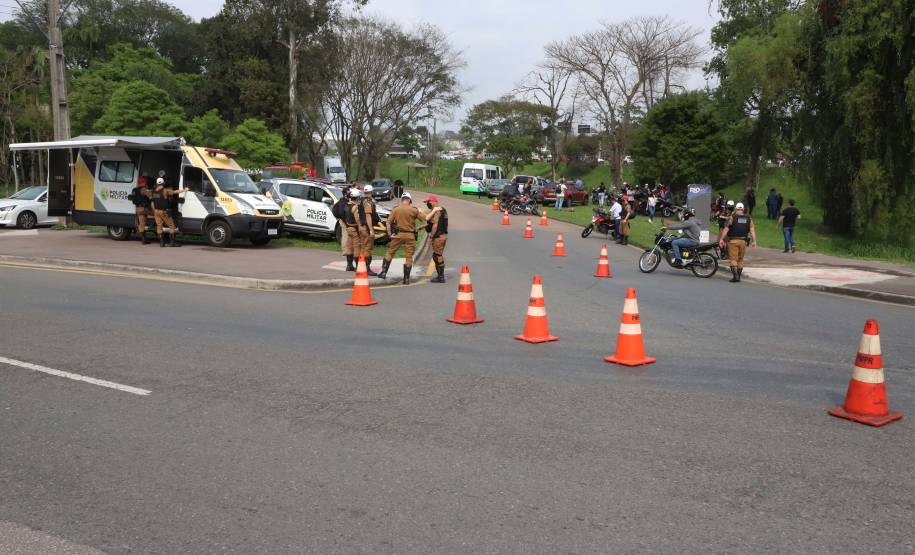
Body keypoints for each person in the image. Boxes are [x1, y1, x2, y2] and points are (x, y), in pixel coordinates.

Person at [377, 193, 430, 284]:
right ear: (409, 200)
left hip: (398, 234)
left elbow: (388, 223)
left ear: (402, 199)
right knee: (409, 257)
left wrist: (389, 235)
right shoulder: (414, 210)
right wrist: (418, 228)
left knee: (390, 252)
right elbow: (427, 220)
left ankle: (383, 272)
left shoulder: (396, 209)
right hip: (410, 235)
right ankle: (406, 279)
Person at [719, 202, 757, 283]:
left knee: (733, 259)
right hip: (743, 241)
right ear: (743, 209)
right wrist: (754, 241)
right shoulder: (749, 218)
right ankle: (739, 276)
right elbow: (752, 230)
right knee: (740, 259)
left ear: (736, 209)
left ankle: (735, 276)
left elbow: (726, 229)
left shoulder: (732, 217)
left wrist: (721, 239)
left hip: (733, 241)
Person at [151, 177, 186, 247]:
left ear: (157, 183)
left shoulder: (154, 191)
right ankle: (172, 243)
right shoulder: (165, 191)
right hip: (164, 211)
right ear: (163, 183)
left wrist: (154, 210)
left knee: (159, 226)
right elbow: (175, 192)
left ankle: (161, 243)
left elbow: (152, 202)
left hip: (156, 211)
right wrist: (184, 190)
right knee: (171, 226)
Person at [357, 184, 379, 276]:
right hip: (366, 228)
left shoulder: (361, 200)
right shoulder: (367, 202)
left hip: (362, 227)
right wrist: (371, 230)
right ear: (371, 192)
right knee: (368, 248)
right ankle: (367, 269)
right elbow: (368, 215)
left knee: (362, 247)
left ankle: (361, 268)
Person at [426, 195, 448, 283]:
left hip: (438, 237)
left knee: (437, 256)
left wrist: (432, 235)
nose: (428, 204)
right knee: (437, 255)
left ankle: (441, 277)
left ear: (434, 201)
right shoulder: (443, 210)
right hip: (443, 236)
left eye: (429, 202)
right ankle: (440, 276)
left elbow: (435, 225)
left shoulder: (436, 212)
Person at [331, 186, 355, 270]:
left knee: (351, 242)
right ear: (345, 194)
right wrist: (346, 221)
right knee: (348, 241)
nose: (350, 193)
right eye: (349, 192)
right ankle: (350, 265)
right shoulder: (343, 202)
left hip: (348, 223)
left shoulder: (347, 201)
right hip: (346, 224)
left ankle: (350, 265)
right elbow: (340, 212)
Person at [129, 176, 152, 245]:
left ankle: (143, 240)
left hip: (137, 209)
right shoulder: (143, 189)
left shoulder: (135, 190)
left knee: (141, 224)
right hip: (144, 209)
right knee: (157, 214)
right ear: (143, 182)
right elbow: (151, 195)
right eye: (145, 182)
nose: (146, 183)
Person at [343, 188, 362, 271]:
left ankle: (349, 265)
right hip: (354, 229)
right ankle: (357, 266)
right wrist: (360, 229)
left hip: (348, 228)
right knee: (356, 247)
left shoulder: (347, 205)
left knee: (349, 247)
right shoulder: (355, 207)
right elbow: (357, 220)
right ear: (357, 198)